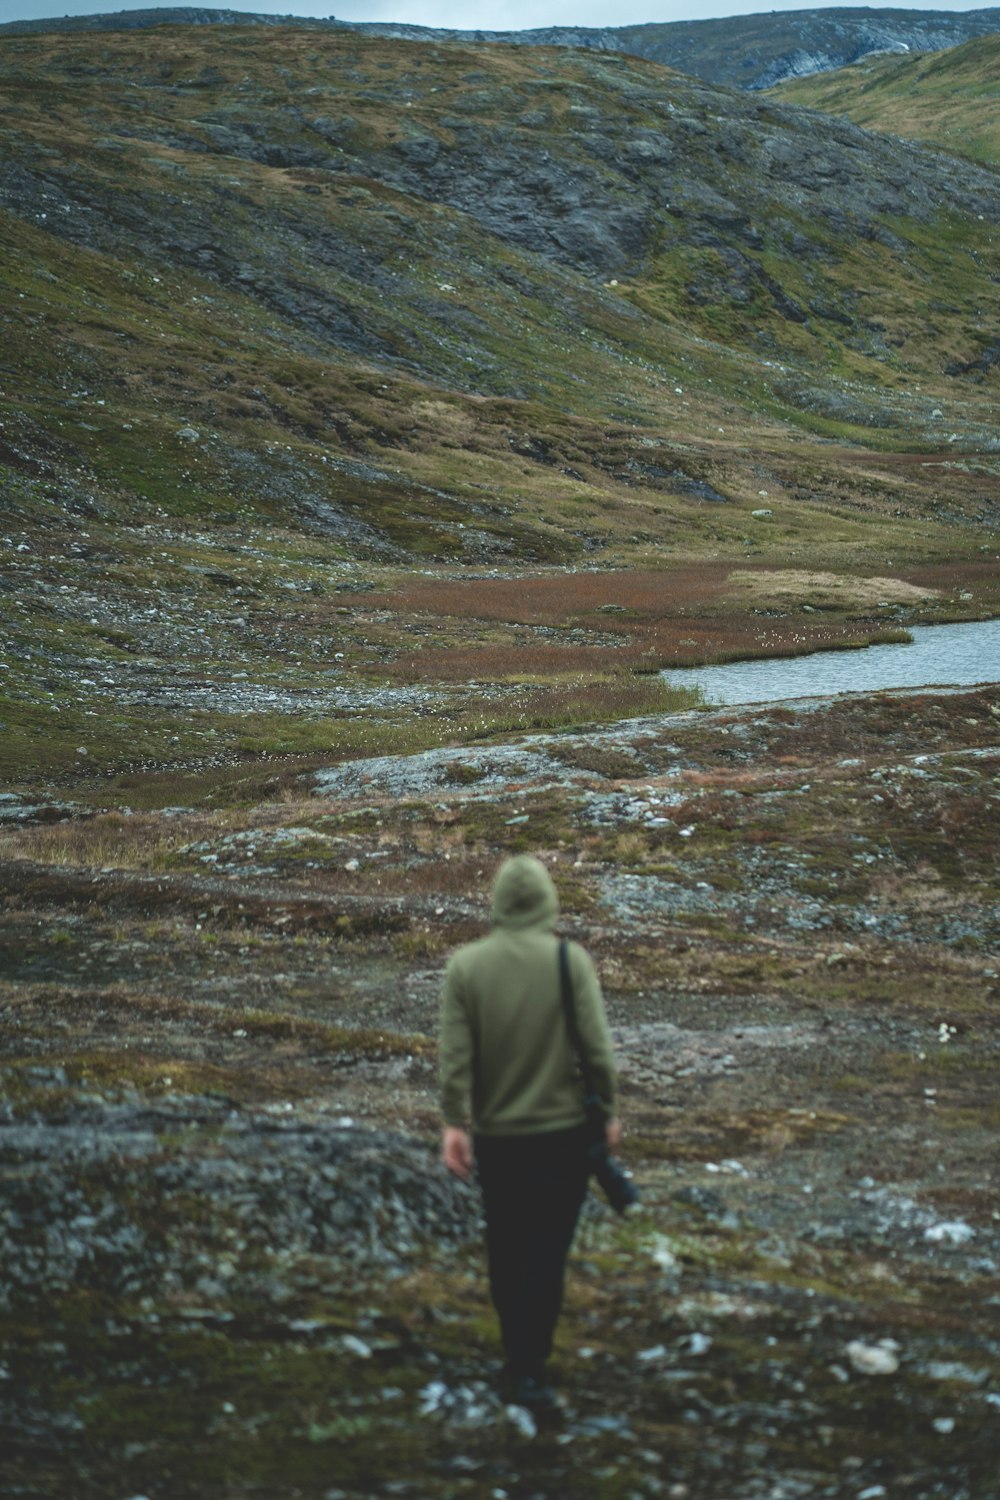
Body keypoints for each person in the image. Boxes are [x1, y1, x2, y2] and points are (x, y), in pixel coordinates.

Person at [438, 853, 621, 1411]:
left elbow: (455, 1060)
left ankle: (516, 1356)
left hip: (498, 1139)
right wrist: (608, 1111)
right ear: (547, 901)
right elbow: (597, 1053)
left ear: (496, 903)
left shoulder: (465, 967)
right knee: (548, 1251)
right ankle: (533, 1365)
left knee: (508, 1245)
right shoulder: (572, 962)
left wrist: (453, 1122)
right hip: (564, 1137)